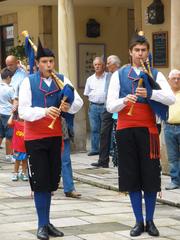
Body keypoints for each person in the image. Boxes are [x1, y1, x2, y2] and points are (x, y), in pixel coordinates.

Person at [106, 31, 175, 237]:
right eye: (136, 50)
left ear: (148, 52)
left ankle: (151, 221)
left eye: (143, 50)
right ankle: (138, 221)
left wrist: (151, 93)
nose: (140, 54)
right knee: (131, 177)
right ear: (130, 52)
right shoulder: (119, 75)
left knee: (150, 177)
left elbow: (170, 98)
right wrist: (125, 100)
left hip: (148, 131)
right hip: (126, 130)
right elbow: (110, 106)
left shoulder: (155, 74)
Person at [18, 39, 83, 240]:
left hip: (55, 137)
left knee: (52, 182)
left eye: (51, 62)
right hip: (35, 138)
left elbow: (78, 102)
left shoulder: (62, 79)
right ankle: (41, 225)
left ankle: (47, 222)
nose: (48, 65)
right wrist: (45, 111)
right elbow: (23, 111)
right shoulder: (28, 82)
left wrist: (67, 107)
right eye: (44, 62)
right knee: (40, 182)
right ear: (37, 64)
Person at [91, 55, 121, 168]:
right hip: (107, 107)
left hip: (118, 107)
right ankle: (103, 160)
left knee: (118, 133)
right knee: (104, 133)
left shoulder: (121, 74)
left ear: (115, 64)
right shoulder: (108, 76)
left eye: (108, 63)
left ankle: (118, 159)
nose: (106, 65)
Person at [84, 57, 108, 156]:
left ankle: (107, 150)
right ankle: (95, 149)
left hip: (105, 107)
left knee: (105, 130)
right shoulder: (90, 79)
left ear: (103, 65)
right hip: (93, 107)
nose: (97, 66)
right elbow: (86, 93)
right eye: (95, 65)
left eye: (99, 64)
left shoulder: (108, 77)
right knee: (94, 129)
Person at [164, 69, 180, 190]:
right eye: (173, 78)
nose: (176, 80)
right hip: (169, 127)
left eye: (178, 78)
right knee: (173, 156)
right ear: (169, 81)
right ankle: (175, 181)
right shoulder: (165, 94)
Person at [61, 114, 81, 198]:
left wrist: (68, 106)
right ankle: (47, 187)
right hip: (45, 129)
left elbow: (77, 103)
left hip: (63, 127)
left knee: (65, 160)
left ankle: (69, 189)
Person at [7, 111, 28, 181]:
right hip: (17, 147)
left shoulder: (28, 124)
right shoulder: (16, 123)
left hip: (25, 147)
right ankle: (15, 173)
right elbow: (9, 123)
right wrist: (12, 114)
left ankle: (23, 173)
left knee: (25, 161)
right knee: (17, 161)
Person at [0, 68, 15, 163]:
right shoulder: (10, 89)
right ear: (8, 77)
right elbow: (14, 102)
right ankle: (9, 155)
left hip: (0, 112)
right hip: (8, 114)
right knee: (10, 136)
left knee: (0, 134)